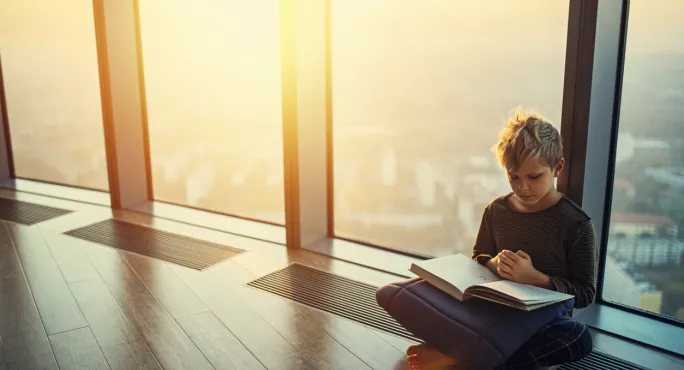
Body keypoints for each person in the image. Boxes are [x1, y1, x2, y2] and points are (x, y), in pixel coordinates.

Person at [406, 111, 597, 370]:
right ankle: (483, 356)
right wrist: (495, 264)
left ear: (557, 168)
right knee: (414, 291)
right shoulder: (496, 210)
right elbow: (479, 259)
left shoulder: (576, 224)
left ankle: (459, 358)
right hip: (492, 310)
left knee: (578, 337)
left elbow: (585, 293)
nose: (522, 187)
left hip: (541, 323)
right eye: (513, 176)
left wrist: (536, 279)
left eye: (534, 177)